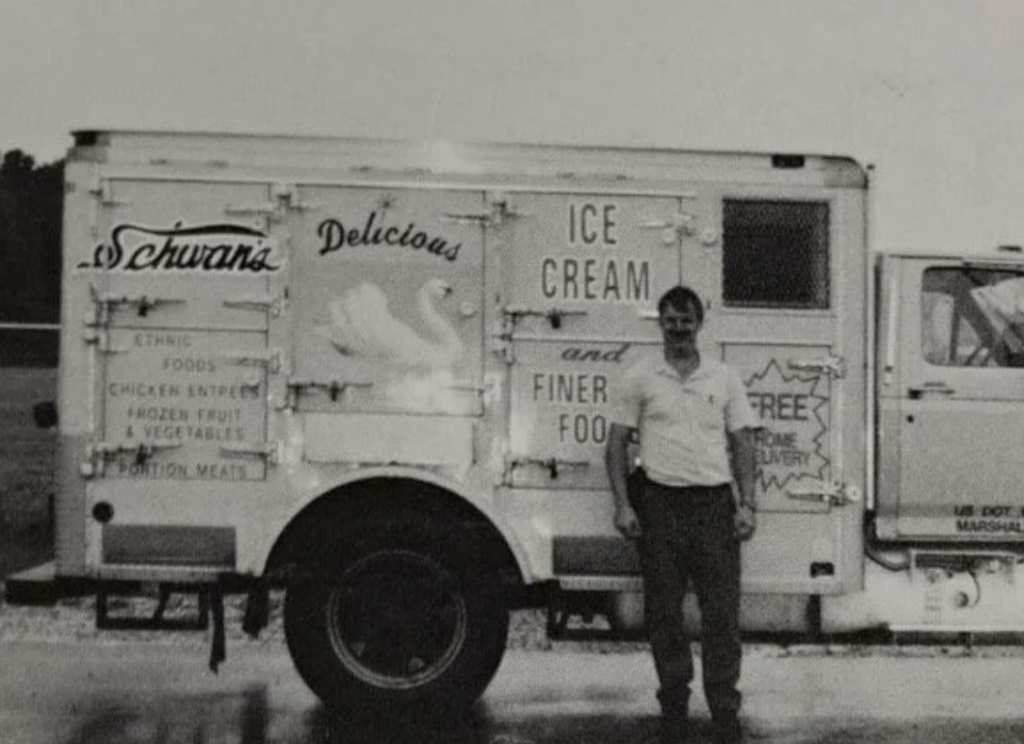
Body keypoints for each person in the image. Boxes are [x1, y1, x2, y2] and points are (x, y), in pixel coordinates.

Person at [605, 285, 759, 744]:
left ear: (699, 323)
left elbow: (744, 442)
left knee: (721, 614)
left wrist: (747, 504)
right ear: (660, 323)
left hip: (713, 506)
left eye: (685, 320)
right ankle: (674, 701)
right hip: (660, 504)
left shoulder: (724, 377)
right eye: (670, 320)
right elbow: (615, 445)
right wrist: (623, 505)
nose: (678, 328)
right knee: (664, 612)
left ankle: (724, 707)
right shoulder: (640, 377)